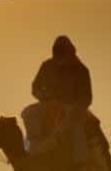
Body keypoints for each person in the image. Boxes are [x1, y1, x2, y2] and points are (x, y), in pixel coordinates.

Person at [30, 34, 93, 164]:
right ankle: (31, 151)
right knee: (27, 113)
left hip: (72, 109)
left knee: (76, 130)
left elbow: (87, 97)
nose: (61, 60)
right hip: (48, 106)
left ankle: (81, 164)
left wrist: (75, 107)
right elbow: (36, 87)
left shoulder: (81, 70)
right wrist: (47, 98)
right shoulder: (47, 66)